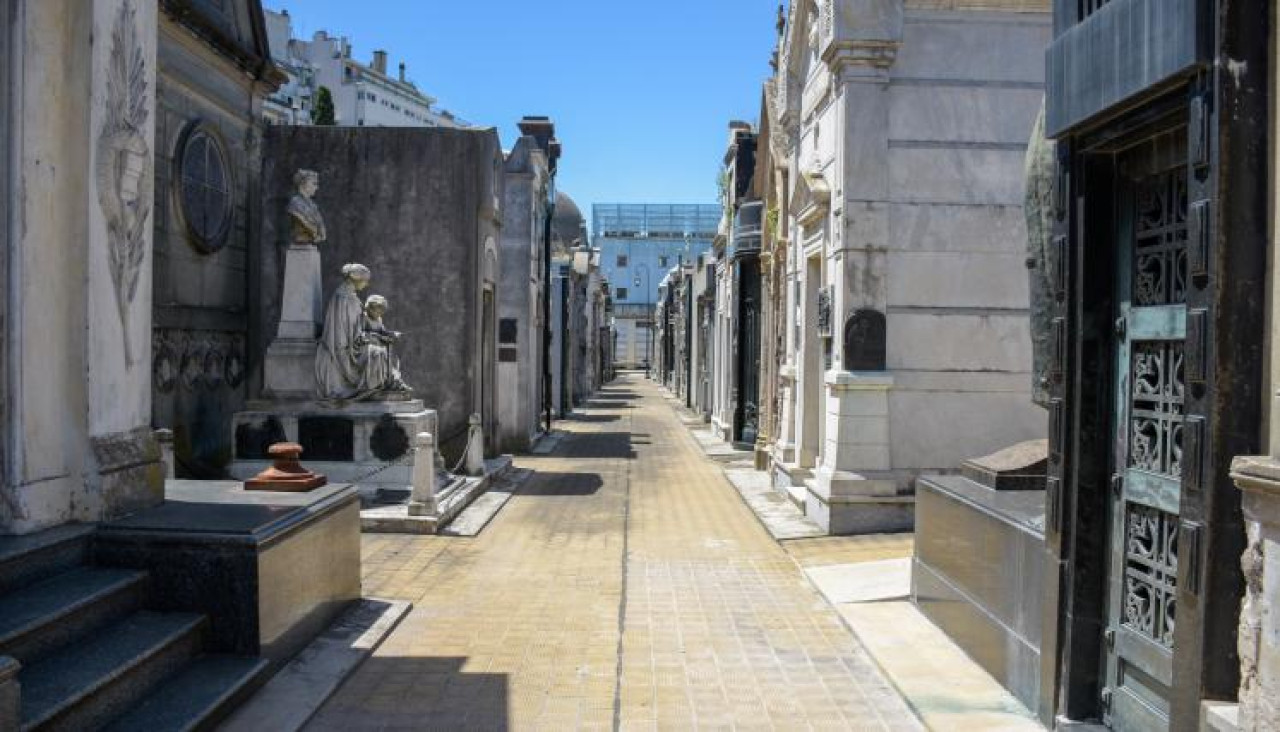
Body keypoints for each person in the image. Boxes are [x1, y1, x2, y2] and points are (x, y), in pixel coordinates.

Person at [315, 264, 411, 401]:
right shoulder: (343, 299)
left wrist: (380, 336)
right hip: (345, 349)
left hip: (355, 342)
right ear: (356, 279)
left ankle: (393, 382)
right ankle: (377, 387)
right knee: (378, 353)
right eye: (365, 280)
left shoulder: (351, 298)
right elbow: (343, 334)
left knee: (386, 352)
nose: (367, 284)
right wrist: (370, 338)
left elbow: (359, 329)